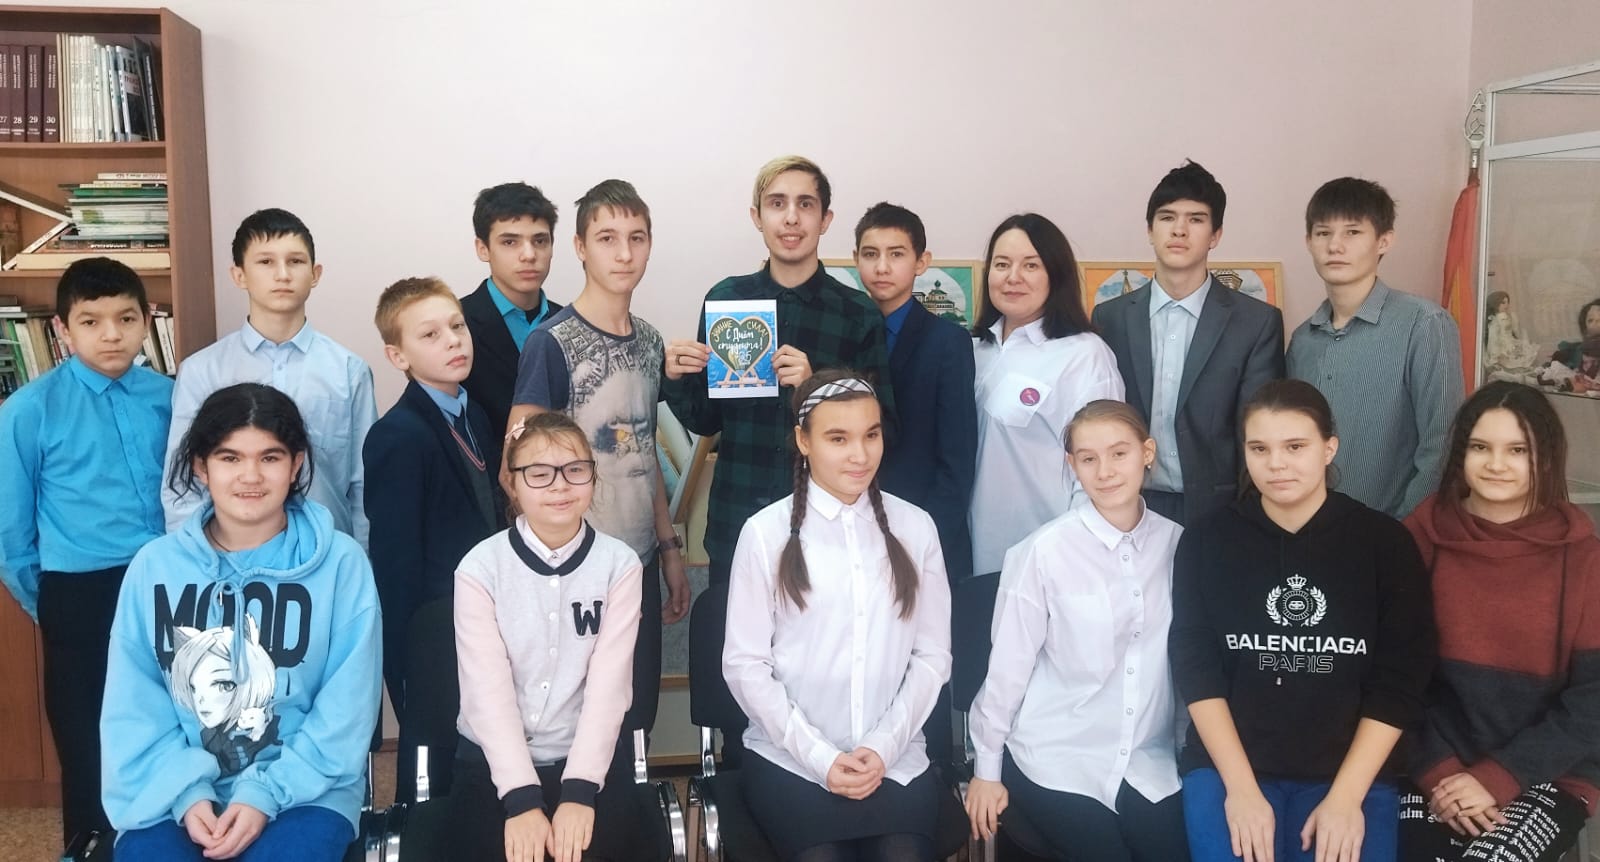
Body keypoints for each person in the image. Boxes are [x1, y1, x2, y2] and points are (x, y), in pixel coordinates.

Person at [103, 382, 381, 861]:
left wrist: (264, 794)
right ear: (201, 466)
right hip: (171, 792)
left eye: (270, 458)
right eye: (230, 458)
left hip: (306, 790)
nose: (250, 476)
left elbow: (347, 709)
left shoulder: (341, 563)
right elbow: (134, 707)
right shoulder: (153, 566)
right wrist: (188, 795)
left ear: (296, 465)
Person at [1169, 379, 1435, 862]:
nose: (1276, 463)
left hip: (1348, 772)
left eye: (1295, 446)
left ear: (1329, 448)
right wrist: (1241, 790)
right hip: (1231, 768)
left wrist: (1346, 798)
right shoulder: (1207, 541)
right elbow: (1196, 667)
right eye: (1259, 448)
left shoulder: (1385, 544)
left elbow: (1401, 680)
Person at [723, 370, 952, 862]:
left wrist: (885, 745)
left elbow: (933, 656)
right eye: (838, 438)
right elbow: (744, 665)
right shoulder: (764, 534)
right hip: (790, 759)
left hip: (894, 759)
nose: (860, 455)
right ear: (803, 441)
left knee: (904, 854)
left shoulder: (916, 528)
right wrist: (821, 757)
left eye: (871, 435)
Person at [966, 400, 1188, 861]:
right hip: (1056, 755)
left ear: (1147, 453)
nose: (1105, 471)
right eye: (1088, 458)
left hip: (1149, 758)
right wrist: (986, 769)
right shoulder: (1043, 552)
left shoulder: (1177, 546)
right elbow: (1008, 668)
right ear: (1072, 465)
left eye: (1119, 453)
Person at [0, 257, 173, 849]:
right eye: (91, 321)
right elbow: (11, 533)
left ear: (147, 320)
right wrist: (49, 604)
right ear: (63, 329)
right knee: (87, 735)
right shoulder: (29, 409)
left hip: (166, 583)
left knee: (170, 724)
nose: (111, 334)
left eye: (126, 318)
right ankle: (91, 846)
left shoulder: (171, 397)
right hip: (79, 591)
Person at [509, 180, 691, 741]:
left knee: (636, 716)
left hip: (638, 561)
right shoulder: (551, 343)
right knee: (576, 722)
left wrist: (668, 548)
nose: (624, 253)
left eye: (637, 238)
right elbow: (517, 468)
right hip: (574, 570)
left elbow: (643, 451)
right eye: (607, 238)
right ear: (581, 247)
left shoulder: (651, 343)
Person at [661, 155, 895, 588]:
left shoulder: (856, 314)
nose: (791, 218)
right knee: (731, 627)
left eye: (805, 204)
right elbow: (706, 420)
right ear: (757, 217)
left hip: (822, 523)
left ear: (825, 220)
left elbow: (884, 428)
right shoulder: (727, 300)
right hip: (736, 518)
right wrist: (675, 377)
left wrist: (815, 388)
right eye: (777, 203)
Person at [1401, 381, 1600, 862]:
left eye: (1518, 450)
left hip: (1546, 773)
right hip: (1429, 764)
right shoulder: (1416, 541)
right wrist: (1440, 771)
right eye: (1480, 447)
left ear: (1546, 458)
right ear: (1460, 454)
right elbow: (1389, 678)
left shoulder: (1585, 559)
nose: (1496, 464)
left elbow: (1593, 700)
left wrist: (1498, 777)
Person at [451, 411, 650, 862]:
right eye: (539, 474)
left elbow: (608, 688)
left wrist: (579, 791)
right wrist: (522, 798)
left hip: (587, 756)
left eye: (575, 470)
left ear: (592, 476)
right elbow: (487, 693)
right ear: (512, 483)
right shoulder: (480, 568)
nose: (560, 486)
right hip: (492, 758)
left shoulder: (620, 565)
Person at [364, 276, 505, 802]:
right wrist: (403, 664)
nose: (452, 341)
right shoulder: (398, 435)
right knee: (434, 764)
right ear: (397, 356)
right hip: (431, 627)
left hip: (480, 612)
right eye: (430, 335)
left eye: (457, 326)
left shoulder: (474, 414)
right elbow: (395, 561)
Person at [163, 207, 377, 547]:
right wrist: (194, 560)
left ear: (315, 274)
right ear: (239, 275)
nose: (282, 275)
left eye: (295, 261)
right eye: (265, 262)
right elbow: (182, 483)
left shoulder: (348, 370)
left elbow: (365, 484)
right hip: (228, 556)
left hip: (325, 551)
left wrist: (361, 561)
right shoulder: (203, 370)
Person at [1092, 160, 1284, 525]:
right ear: (1150, 230)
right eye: (1167, 217)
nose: (1179, 230)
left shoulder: (1256, 323)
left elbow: (1259, 430)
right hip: (1128, 504)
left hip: (1220, 511)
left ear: (1215, 235)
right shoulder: (1110, 318)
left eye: (1196, 219)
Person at [1285, 177, 1463, 518]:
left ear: (1384, 241)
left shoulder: (1424, 324)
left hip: (1396, 529)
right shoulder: (1303, 339)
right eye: (1323, 233)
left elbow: (1443, 442)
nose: (1335, 246)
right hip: (1309, 527)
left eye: (1352, 232)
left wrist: (1405, 528)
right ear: (1308, 241)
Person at [970, 212, 1123, 576]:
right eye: (1002, 264)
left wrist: (1077, 553)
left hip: (1049, 557)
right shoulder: (972, 349)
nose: (1013, 277)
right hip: (970, 554)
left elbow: (1102, 468)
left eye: (1031, 265)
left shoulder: (1083, 354)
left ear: (1056, 273)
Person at [462, 182, 567, 438]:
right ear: (483, 248)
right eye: (510, 242)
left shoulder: (570, 323)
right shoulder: (456, 325)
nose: (529, 255)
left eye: (540, 241)